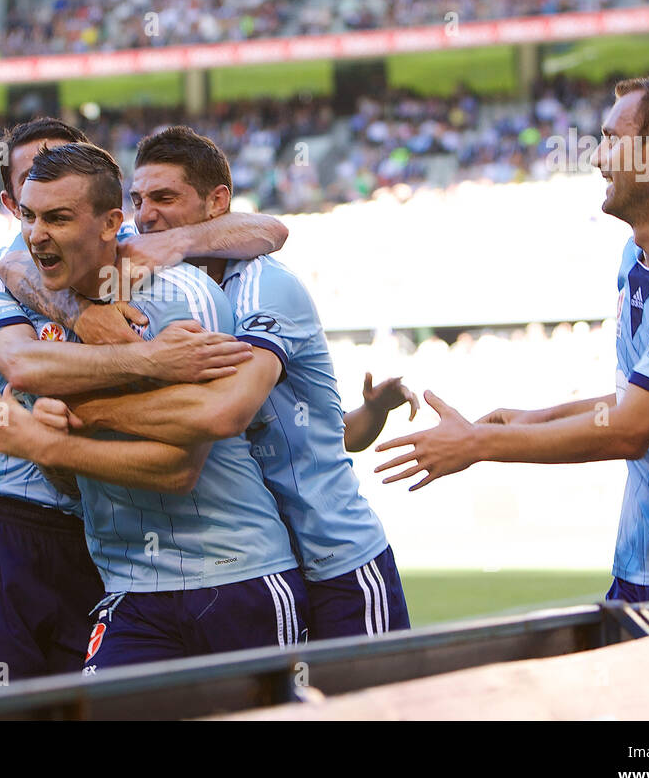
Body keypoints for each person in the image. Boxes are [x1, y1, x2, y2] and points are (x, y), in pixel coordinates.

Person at [376, 76, 649, 599]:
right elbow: (638, 399)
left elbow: (630, 429)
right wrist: (535, 417)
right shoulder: (636, 261)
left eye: (611, 139)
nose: (598, 159)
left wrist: (479, 443)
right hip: (648, 569)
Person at [0, 118, 291, 689]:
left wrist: (58, 435)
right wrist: (62, 432)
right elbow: (26, 367)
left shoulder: (168, 290)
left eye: (60, 209)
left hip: (195, 564)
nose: (39, 227)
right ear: (12, 202)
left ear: (109, 216)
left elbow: (181, 463)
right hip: (34, 535)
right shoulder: (8, 277)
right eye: (31, 204)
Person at [33, 126, 416, 638]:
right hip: (263, 563)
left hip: (337, 559)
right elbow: (16, 262)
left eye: (165, 198)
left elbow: (227, 416)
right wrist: (76, 310)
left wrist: (78, 414)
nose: (147, 215)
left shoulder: (264, 286)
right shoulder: (163, 292)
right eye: (139, 199)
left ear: (218, 203)